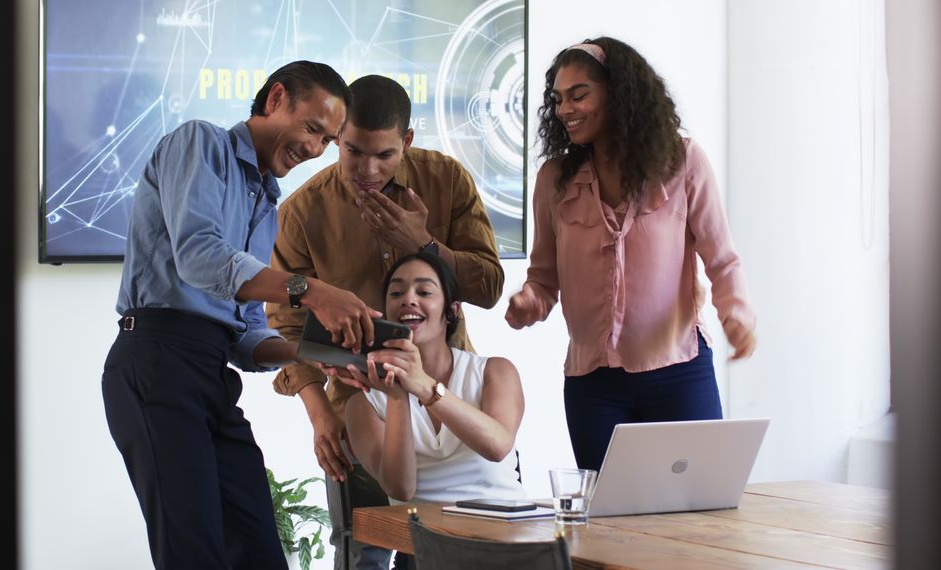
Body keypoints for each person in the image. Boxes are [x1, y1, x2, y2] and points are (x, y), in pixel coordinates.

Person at [102, 61, 381, 570]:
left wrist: (314, 356)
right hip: (158, 361)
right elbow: (200, 257)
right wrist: (312, 291)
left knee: (261, 552)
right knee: (194, 556)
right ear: (275, 99)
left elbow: (247, 335)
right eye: (312, 129)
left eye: (327, 140)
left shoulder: (267, 206)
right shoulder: (201, 143)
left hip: (211, 374)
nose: (315, 149)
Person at [267, 75, 504, 568]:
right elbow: (284, 324)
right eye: (353, 152)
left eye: (385, 155)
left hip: (445, 404)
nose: (367, 170)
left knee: (447, 551)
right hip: (359, 413)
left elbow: (488, 286)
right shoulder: (302, 212)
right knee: (363, 553)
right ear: (337, 136)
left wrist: (424, 245)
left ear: (407, 141)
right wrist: (319, 412)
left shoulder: (446, 180)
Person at [505, 37, 758, 471]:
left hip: (679, 372)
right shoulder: (554, 180)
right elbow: (544, 278)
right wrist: (530, 301)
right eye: (558, 99)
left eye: (579, 95)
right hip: (594, 387)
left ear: (618, 93)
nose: (565, 109)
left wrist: (736, 314)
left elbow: (722, 259)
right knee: (610, 511)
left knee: (698, 504)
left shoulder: (683, 162)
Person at [338, 252, 524, 569]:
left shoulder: (494, 372)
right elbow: (400, 488)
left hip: (510, 545)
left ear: (452, 311)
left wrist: (424, 386)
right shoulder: (364, 402)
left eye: (424, 291)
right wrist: (398, 399)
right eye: (396, 293)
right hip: (426, 552)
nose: (408, 299)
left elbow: (497, 446)